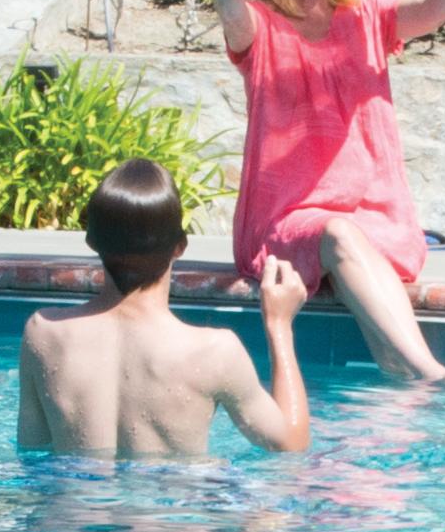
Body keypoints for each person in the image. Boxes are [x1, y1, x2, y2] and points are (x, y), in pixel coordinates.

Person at [210, 0, 445, 387]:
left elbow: (443, 6)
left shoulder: (371, 15)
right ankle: (430, 375)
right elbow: (228, 3)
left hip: (376, 221)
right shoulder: (260, 29)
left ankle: (402, 381)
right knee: (336, 232)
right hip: (288, 221)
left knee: (345, 235)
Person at [17, 158, 311, 461]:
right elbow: (290, 443)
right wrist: (279, 325)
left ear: (92, 241)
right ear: (180, 246)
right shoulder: (214, 352)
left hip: (71, 507)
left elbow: (34, 453)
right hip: (172, 505)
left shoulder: (43, 333)